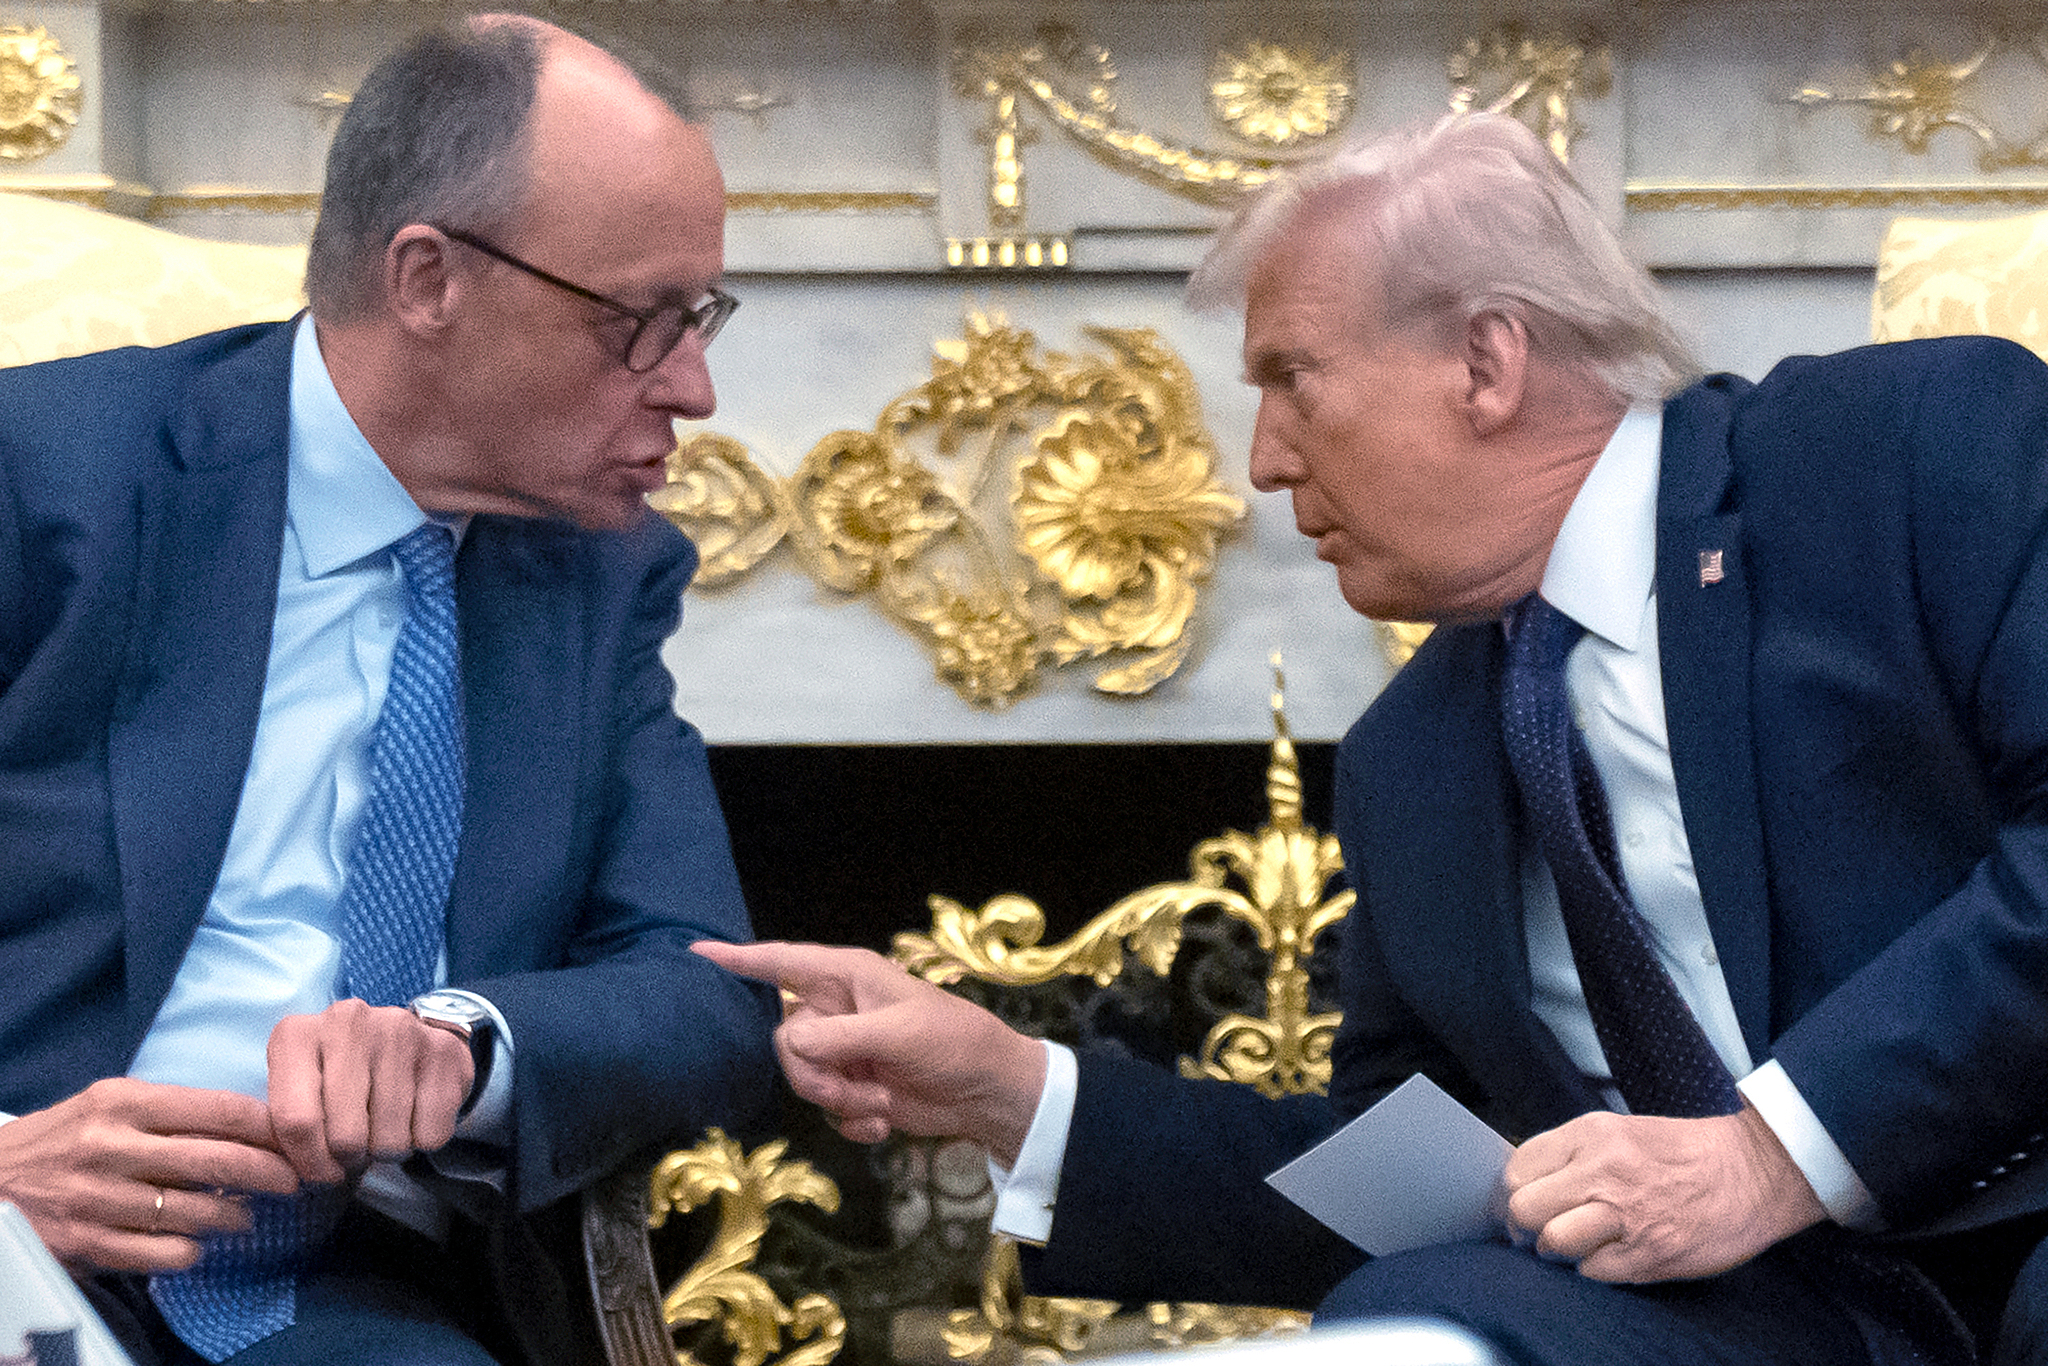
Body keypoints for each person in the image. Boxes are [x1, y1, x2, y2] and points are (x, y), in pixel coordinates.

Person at [696, 110, 2048, 1366]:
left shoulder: (1898, 455)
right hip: (1758, 1324)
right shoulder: (1418, 750)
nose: (1265, 460)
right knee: (1410, 1319)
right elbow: (1404, 1174)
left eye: (1291, 378)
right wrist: (1017, 1090)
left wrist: (1771, 1154)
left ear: (1485, 359)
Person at [0, 15, 775, 1366]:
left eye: (700, 317)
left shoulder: (600, 579)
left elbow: (709, 993)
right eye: (641, 323)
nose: (695, 388)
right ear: (428, 279)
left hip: (335, 1298)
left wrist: (467, 1048)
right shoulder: (47, 482)